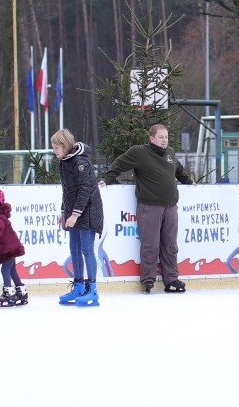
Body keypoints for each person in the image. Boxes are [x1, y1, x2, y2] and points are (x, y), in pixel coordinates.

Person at [100, 124, 194, 293]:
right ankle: (148, 279)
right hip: (150, 206)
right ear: (151, 138)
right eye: (161, 137)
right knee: (150, 244)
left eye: (166, 137)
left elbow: (179, 170)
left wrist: (189, 182)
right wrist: (107, 179)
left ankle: (171, 279)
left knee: (170, 245)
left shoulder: (170, 153)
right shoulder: (140, 152)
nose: (164, 140)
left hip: (170, 206)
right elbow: (120, 164)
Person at [53, 129, 105, 306]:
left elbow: (85, 190)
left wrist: (75, 214)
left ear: (65, 145)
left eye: (56, 147)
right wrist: (63, 213)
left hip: (88, 211)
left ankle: (92, 290)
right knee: (74, 249)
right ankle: (79, 286)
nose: (54, 150)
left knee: (87, 250)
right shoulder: (64, 162)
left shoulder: (80, 161)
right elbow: (66, 190)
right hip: (74, 211)